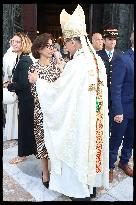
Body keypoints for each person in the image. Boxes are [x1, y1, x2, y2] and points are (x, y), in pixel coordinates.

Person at [28, 5, 109, 200]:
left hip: (80, 122)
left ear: (74, 41)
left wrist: (37, 81)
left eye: (67, 42)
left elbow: (59, 92)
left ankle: (79, 190)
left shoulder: (78, 63)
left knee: (77, 151)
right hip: (94, 119)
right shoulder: (96, 60)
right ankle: (91, 185)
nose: (65, 46)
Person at [29, 33, 62, 188]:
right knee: (42, 142)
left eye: (52, 45)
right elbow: (35, 93)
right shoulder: (33, 67)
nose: (51, 48)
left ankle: (56, 170)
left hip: (56, 112)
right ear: (39, 49)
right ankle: (45, 172)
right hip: (41, 111)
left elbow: (61, 91)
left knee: (55, 142)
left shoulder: (57, 67)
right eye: (48, 46)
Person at [6, 32, 37, 164]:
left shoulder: (25, 60)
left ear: (23, 44)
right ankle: (31, 152)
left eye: (17, 42)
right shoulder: (20, 59)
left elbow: (25, 83)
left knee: (25, 127)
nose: (14, 43)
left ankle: (22, 154)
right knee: (27, 127)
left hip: (27, 100)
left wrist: (10, 86)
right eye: (13, 41)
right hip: (25, 99)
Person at [109, 31, 134, 183]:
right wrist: (117, 110)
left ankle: (124, 161)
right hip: (123, 109)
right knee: (116, 140)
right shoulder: (123, 59)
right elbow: (116, 87)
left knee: (131, 139)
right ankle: (109, 166)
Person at [3, 46, 18, 140]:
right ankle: (14, 133)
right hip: (12, 83)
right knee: (13, 108)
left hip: (12, 82)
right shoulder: (9, 56)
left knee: (12, 109)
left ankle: (12, 133)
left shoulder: (6, 56)